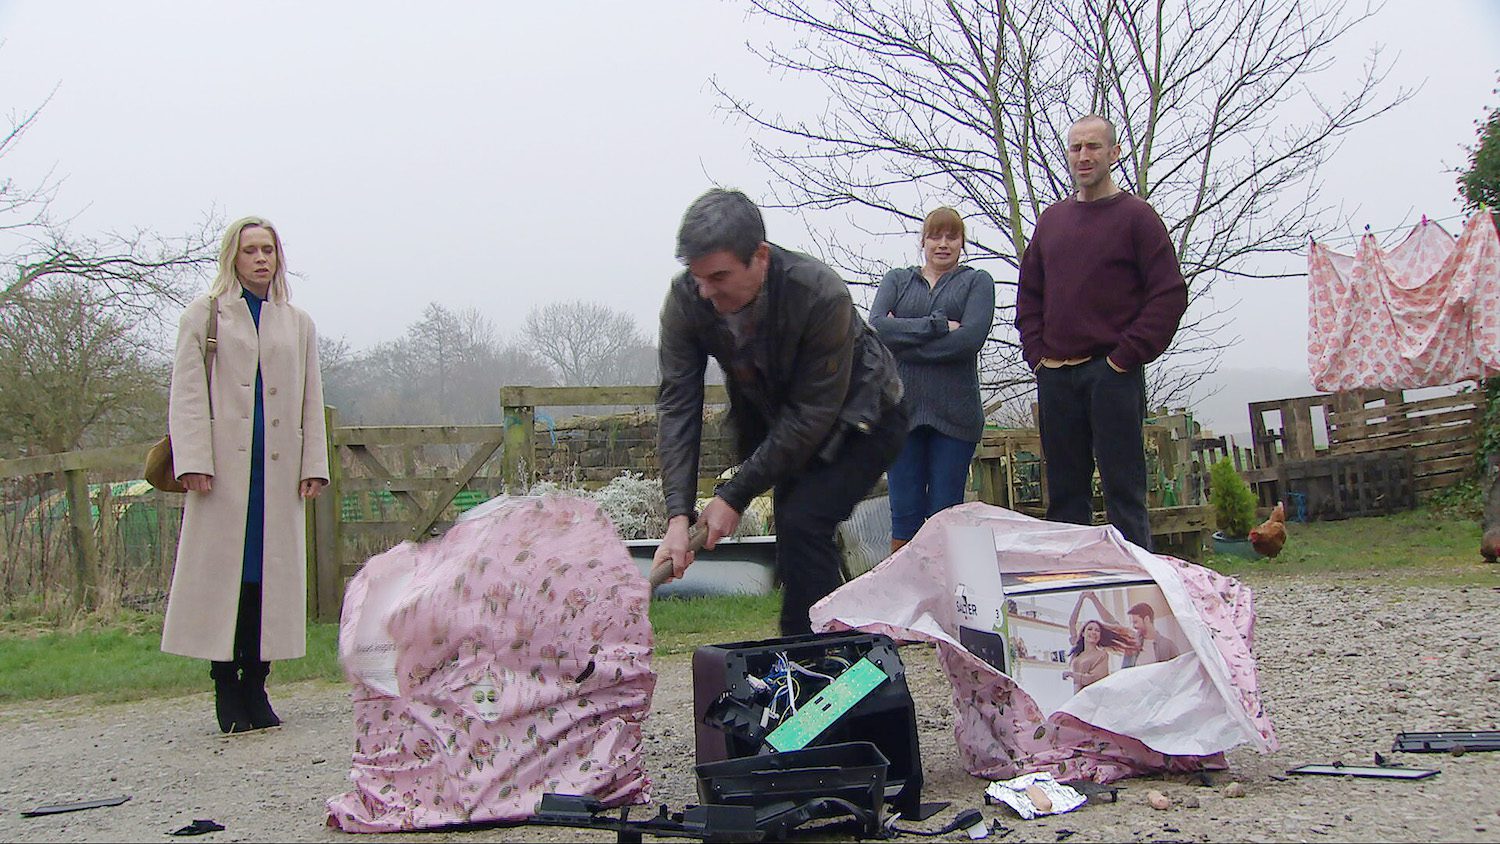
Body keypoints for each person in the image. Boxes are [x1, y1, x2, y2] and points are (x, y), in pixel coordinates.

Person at [655, 188, 908, 635]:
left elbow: (813, 413)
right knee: (797, 541)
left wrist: (733, 495)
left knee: (804, 521)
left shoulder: (818, 293)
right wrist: (678, 516)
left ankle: (820, 666)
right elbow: (678, 405)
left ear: (761, 257)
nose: (705, 291)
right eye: (697, 277)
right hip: (785, 421)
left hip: (864, 415)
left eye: (719, 276)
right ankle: (815, 656)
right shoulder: (687, 301)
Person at [161, 216, 329, 733]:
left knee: (267, 579)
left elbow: (310, 397)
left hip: (276, 476)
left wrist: (313, 465)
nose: (261, 258)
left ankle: (257, 684)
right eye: (250, 250)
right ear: (232, 257)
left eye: (269, 250)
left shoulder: (296, 322)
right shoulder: (205, 315)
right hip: (223, 476)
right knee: (224, 579)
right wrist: (193, 461)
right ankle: (225, 687)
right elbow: (187, 394)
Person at [1015, 115, 1188, 551]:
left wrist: (1124, 357)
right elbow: (1029, 296)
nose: (1084, 156)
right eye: (1076, 148)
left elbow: (1168, 295)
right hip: (1056, 376)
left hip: (1112, 374)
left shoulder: (1137, 218)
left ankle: (1136, 593)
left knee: (1123, 491)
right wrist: (1037, 355)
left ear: (1113, 154)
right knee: (1065, 497)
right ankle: (1070, 587)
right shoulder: (1051, 222)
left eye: (1094, 147)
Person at [870, 207, 995, 553]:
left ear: (962, 243)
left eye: (951, 237)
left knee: (946, 514)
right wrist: (939, 326)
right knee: (904, 516)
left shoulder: (977, 282)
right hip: (900, 414)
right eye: (935, 236)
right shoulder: (897, 280)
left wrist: (905, 343)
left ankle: (948, 597)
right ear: (923, 241)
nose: (943, 244)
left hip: (955, 417)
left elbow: (969, 340)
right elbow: (878, 327)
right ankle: (902, 598)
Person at [1061, 591, 1137, 693]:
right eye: (1090, 629)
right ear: (1083, 633)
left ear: (1100, 636)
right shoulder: (1078, 650)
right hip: (1078, 696)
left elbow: (1094, 678)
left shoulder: (1101, 655)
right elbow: (1072, 624)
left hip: (1094, 696)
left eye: (1097, 630)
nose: (1093, 632)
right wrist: (1081, 599)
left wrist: (1094, 598)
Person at [1119, 602, 1181, 668]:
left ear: (1146, 619)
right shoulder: (1132, 647)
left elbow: (1180, 670)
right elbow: (1125, 671)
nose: (1134, 626)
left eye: (1135, 622)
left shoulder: (1168, 645)